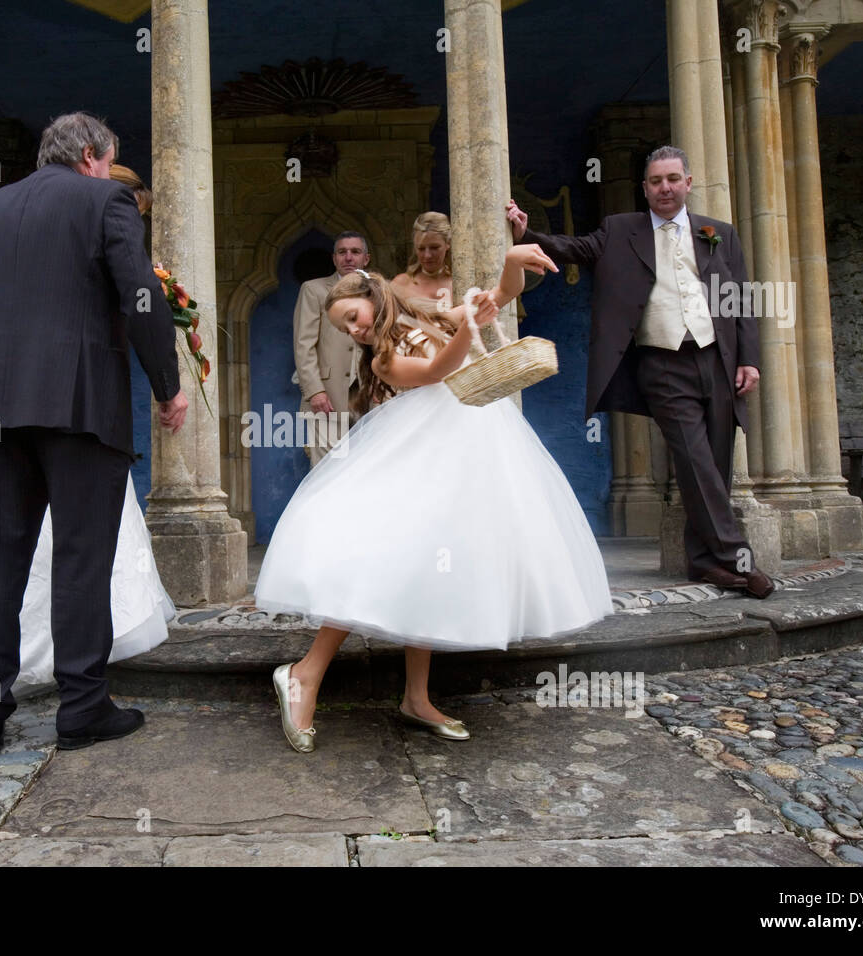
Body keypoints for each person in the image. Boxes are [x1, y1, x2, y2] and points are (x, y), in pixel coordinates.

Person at [255, 253, 613, 754]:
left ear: (372, 296)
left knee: (430, 567)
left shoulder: (423, 317)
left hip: (472, 444)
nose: (354, 331)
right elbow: (440, 370)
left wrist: (509, 261)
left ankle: (417, 698)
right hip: (423, 448)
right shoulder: (382, 360)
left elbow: (502, 297)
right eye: (344, 329)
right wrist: (467, 324)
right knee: (383, 556)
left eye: (353, 318)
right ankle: (303, 674)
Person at [0, 112, 188, 754]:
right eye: (108, 161)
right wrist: (168, 385)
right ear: (93, 156)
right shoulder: (108, 199)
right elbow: (139, 297)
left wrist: (12, 330)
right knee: (80, 556)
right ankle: (82, 707)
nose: (108, 172)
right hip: (79, 405)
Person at [507, 144, 771, 598]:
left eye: (672, 179)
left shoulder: (718, 233)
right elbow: (574, 248)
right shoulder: (620, 230)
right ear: (644, 188)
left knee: (715, 465)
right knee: (694, 458)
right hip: (661, 363)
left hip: (717, 360)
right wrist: (527, 230)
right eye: (655, 181)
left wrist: (749, 358)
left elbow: (742, 298)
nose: (664, 188)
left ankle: (704, 561)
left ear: (688, 183)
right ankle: (738, 560)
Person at [293, 231, 370, 465]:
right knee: (327, 471)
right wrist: (315, 391)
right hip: (327, 398)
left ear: (366, 258)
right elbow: (303, 344)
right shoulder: (313, 289)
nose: (348, 258)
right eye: (342, 252)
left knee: (368, 470)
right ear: (334, 258)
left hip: (369, 397)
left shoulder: (378, 290)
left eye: (355, 252)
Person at [390, 211, 453, 312]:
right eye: (421, 248)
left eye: (434, 247)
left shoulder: (458, 282)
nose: (427, 255)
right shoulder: (401, 283)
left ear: (447, 244)